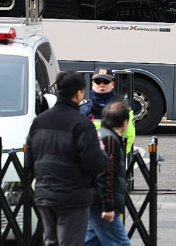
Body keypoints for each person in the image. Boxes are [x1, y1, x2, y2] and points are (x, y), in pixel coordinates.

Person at [26, 71, 107, 246]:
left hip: (44, 193)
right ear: (79, 93)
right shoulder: (82, 124)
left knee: (51, 241)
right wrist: (101, 151)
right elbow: (93, 162)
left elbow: (29, 161)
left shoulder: (39, 121)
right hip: (72, 196)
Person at [85, 99, 131, 246]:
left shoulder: (99, 134)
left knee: (91, 241)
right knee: (121, 243)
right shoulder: (110, 139)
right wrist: (108, 207)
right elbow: (107, 175)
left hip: (94, 201)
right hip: (102, 204)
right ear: (125, 122)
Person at [80, 67, 136, 154]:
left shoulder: (123, 110)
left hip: (113, 159)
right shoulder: (83, 109)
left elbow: (129, 137)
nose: (101, 85)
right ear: (92, 84)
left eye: (106, 82)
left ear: (112, 84)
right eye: (98, 82)